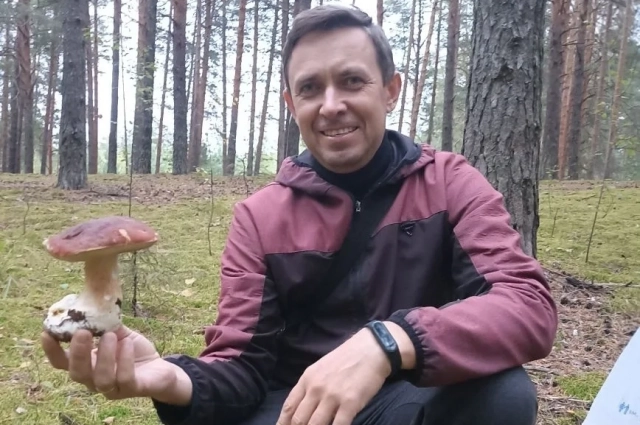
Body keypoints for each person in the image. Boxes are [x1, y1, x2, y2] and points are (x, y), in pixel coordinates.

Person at [41, 4, 558, 425]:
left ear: (390, 90)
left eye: (352, 81)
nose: (331, 105)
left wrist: (388, 342)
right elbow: (241, 367)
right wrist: (171, 378)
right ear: (292, 104)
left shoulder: (448, 182)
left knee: (502, 395)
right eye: (311, 88)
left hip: (410, 400)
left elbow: (526, 304)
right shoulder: (261, 216)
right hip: (294, 409)